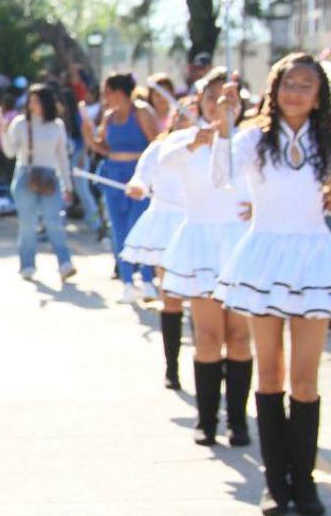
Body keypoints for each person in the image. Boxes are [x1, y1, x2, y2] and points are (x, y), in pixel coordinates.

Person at [211, 53, 331, 516]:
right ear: (274, 88)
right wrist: (224, 121)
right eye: (288, 83)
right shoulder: (252, 138)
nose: (295, 92)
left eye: (306, 84)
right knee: (271, 373)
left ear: (319, 94)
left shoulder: (326, 140)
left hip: (314, 258)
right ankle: (274, 482)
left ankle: (304, 482)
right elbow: (221, 180)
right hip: (264, 257)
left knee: (305, 378)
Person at [158, 69, 253, 445]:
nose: (219, 105)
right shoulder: (185, 141)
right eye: (211, 97)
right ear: (200, 101)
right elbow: (162, 165)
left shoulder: (249, 141)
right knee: (208, 334)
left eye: (226, 98)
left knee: (240, 336)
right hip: (200, 243)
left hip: (240, 243)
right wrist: (193, 144)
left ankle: (239, 421)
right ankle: (208, 418)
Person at [123, 97, 194, 390]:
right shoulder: (159, 148)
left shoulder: (214, 146)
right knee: (171, 297)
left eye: (191, 113)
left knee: (204, 299)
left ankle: (211, 362)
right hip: (166, 225)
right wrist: (138, 185)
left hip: (200, 226)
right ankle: (172, 366)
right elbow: (142, 174)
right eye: (180, 114)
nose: (184, 119)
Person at [82, 72, 161, 303]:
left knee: (140, 228)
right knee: (119, 231)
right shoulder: (109, 116)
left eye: (108, 92)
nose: (105, 97)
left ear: (119, 92)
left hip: (138, 176)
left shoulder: (143, 112)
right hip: (113, 176)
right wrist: (88, 134)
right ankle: (127, 282)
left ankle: (147, 280)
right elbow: (102, 146)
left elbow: (157, 144)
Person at [1, 84, 76, 281]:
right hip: (26, 175)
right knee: (28, 224)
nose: (32, 105)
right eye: (30, 100)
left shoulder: (56, 125)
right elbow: (10, 152)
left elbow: (62, 157)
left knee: (54, 222)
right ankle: (27, 265)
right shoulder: (20, 123)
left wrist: (68, 185)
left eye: (36, 100)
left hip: (50, 177)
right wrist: (2, 131)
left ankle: (65, 263)